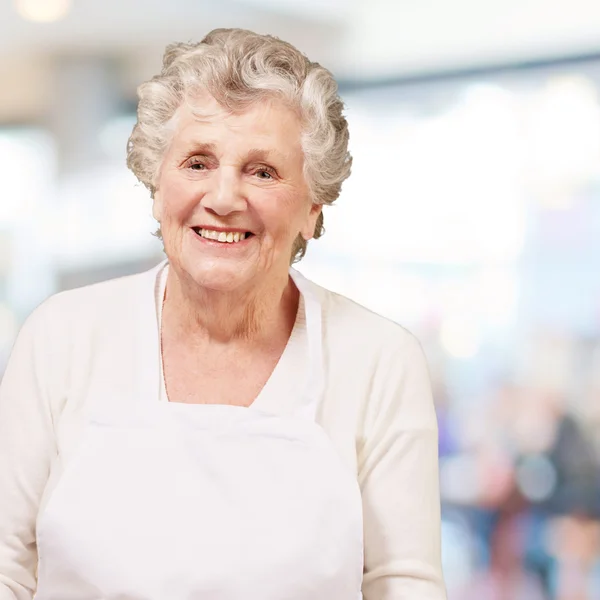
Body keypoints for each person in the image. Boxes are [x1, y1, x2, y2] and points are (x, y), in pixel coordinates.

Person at [0, 28, 446, 600]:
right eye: (197, 162)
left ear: (314, 206)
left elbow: (404, 585)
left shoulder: (380, 360)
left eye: (263, 171)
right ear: (156, 187)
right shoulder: (62, 336)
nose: (225, 197)